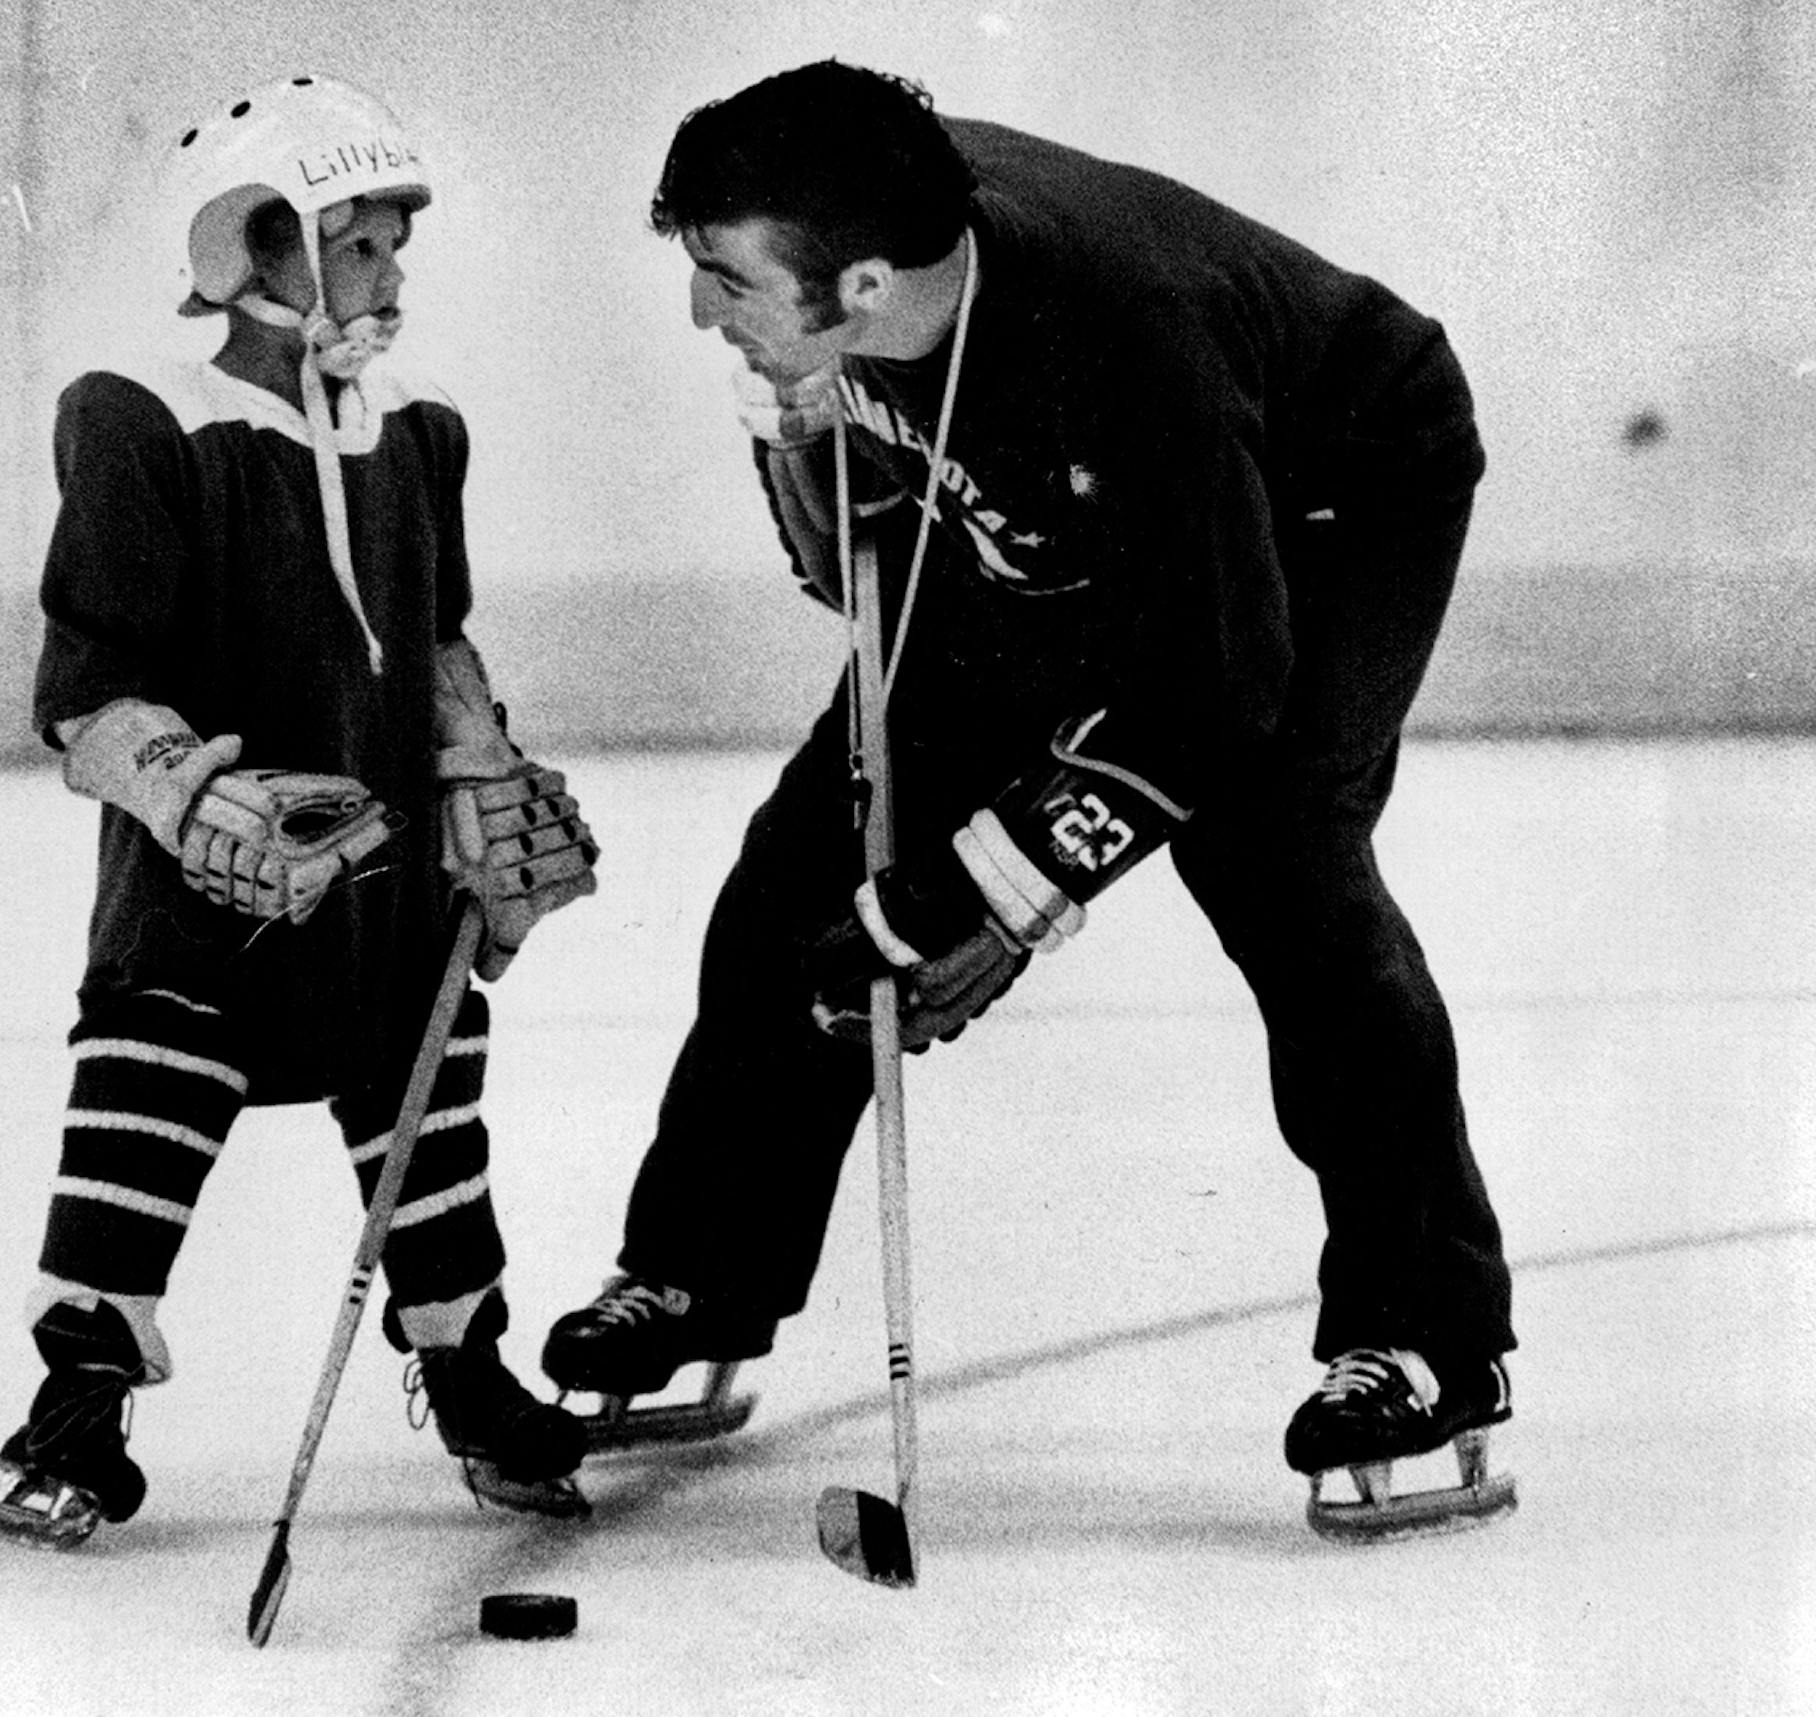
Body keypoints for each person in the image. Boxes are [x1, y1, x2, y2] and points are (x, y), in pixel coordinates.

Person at [541, 60, 1515, 1530]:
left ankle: (1428, 1336)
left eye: (725, 281)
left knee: (1279, 863)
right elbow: (853, 577)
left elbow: (1217, 689)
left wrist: (987, 893)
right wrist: (797, 438)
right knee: (803, 866)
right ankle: (700, 1273)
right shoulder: (881, 242)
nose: (698, 311)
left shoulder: (1134, 341)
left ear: (865, 286)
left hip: (1326, 496)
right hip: (1070, 511)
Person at [0, 72, 599, 1548]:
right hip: (204, 892)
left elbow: (434, 640)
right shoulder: (142, 421)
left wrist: (483, 768)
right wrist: (191, 794)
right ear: (249, 246)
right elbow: (87, 687)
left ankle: (469, 1372)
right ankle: (74, 1408)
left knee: (429, 1100)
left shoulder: (417, 433)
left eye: (393, 246)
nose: (390, 277)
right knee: (147, 1105)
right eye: (357, 246)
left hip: (386, 884)